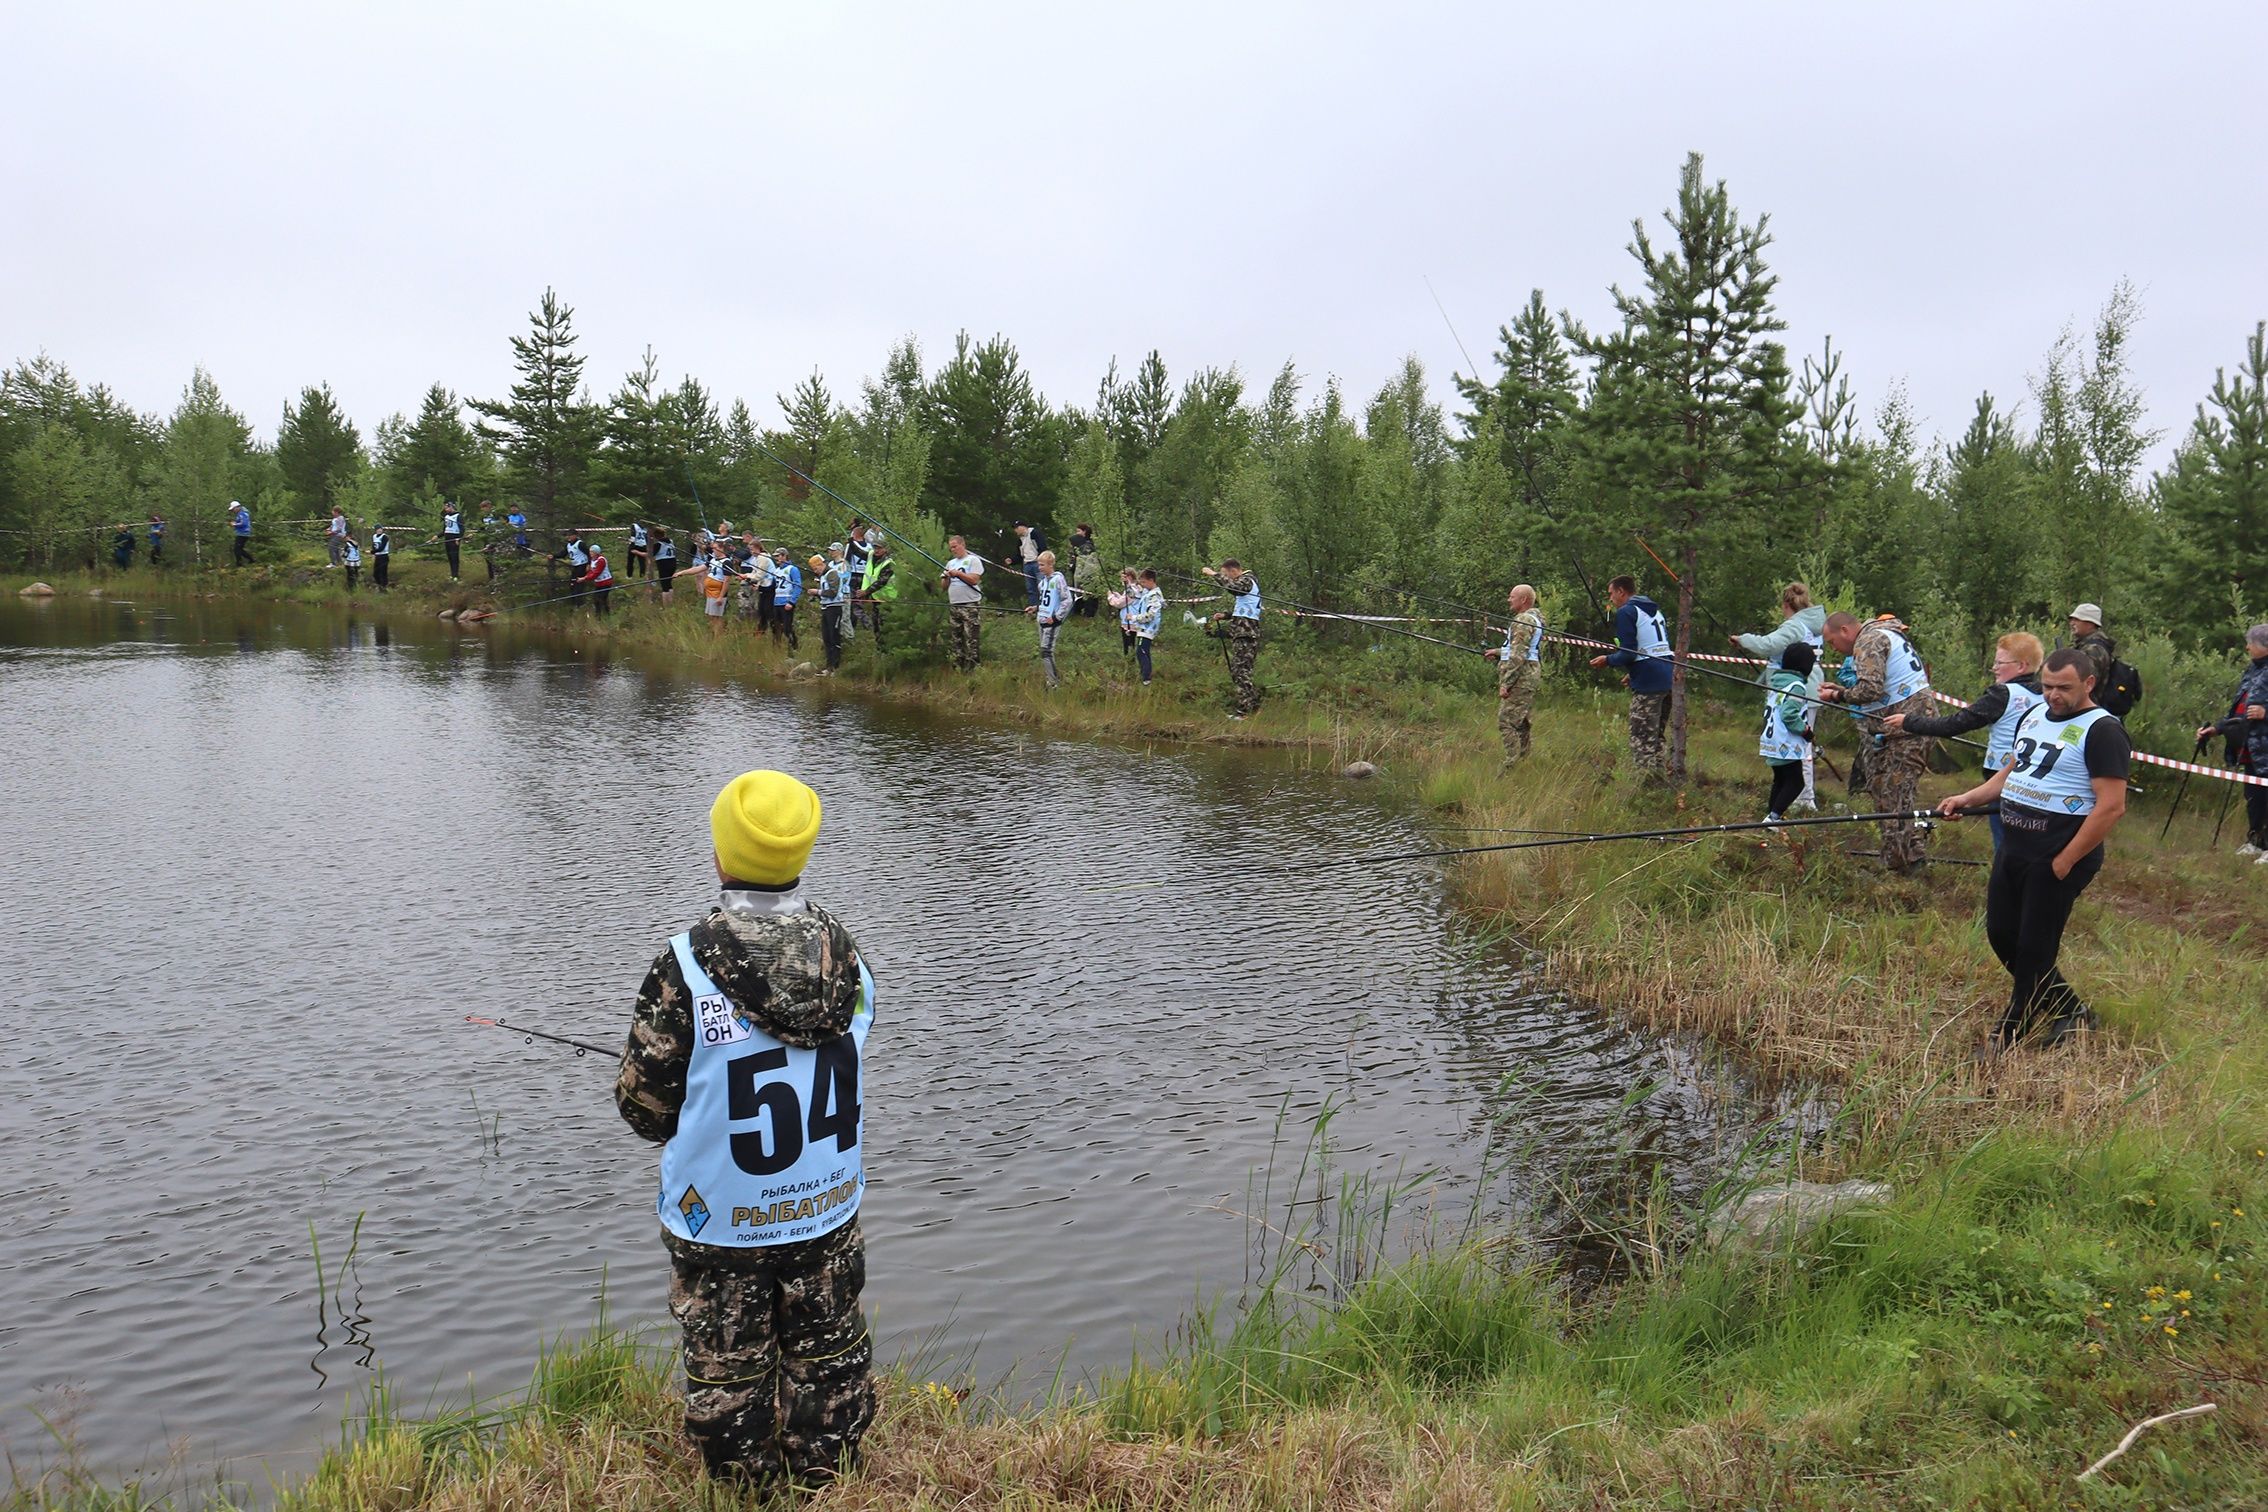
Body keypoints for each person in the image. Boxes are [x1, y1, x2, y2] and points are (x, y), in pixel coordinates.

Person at [614, 769, 876, 1488]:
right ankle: (828, 1485)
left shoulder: (686, 967)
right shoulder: (847, 956)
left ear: (722, 854)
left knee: (731, 1375)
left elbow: (646, 1114)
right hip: (823, 1205)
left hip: (722, 1223)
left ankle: (747, 1495)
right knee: (830, 1359)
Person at [1937, 649, 2130, 1052]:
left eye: (2064, 688)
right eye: (2047, 686)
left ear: (2089, 684)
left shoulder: (2103, 730)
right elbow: (2012, 771)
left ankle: (2007, 1035)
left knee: (2033, 949)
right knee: (2000, 934)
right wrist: (1966, 798)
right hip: (2015, 846)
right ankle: (2072, 1011)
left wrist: (2065, 861)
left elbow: (2111, 805)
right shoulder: (2035, 715)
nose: (2053, 695)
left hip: (2059, 854)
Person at [1886, 632, 2044, 853]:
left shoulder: (2001, 694)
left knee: (2007, 848)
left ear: (2021, 666)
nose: (1994, 668)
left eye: (2000, 662)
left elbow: (1954, 724)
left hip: (2003, 782)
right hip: (2036, 780)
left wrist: (1909, 722)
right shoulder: (2045, 693)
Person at [1818, 611, 1936, 872]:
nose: (1834, 649)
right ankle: (1911, 856)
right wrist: (1840, 690)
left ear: (1846, 631)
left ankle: (1896, 867)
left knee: (1894, 797)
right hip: (1902, 728)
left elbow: (1871, 689)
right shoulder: (1884, 634)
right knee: (1886, 792)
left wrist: (1839, 696)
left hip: (1908, 730)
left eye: (1832, 642)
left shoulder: (1868, 641)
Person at [1734, 582, 1826, 810]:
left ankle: (1804, 799)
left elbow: (1769, 644)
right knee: (1800, 741)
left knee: (1799, 745)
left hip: (1795, 689)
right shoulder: (1813, 624)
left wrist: (1743, 639)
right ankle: (1799, 796)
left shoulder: (1795, 626)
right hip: (1809, 686)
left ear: (1786, 605)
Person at [1587, 575, 1673, 779]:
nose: (1611, 599)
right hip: (1667, 676)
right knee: (1657, 736)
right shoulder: (1654, 610)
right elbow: (1653, 647)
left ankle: (1644, 785)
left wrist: (1607, 660)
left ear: (1621, 592)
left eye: (1611, 594)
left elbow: (1628, 652)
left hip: (1649, 683)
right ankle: (1659, 781)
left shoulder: (1627, 611)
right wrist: (1632, 672)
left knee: (1641, 737)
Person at [2199, 623, 2268, 860]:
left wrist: (2265, 713)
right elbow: (2238, 710)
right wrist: (2216, 729)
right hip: (2251, 748)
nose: (2247, 647)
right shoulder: (2253, 670)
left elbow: (2259, 710)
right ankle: (2256, 842)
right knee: (2254, 797)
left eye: (2251, 642)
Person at [1484, 584, 1546, 768]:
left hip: (1521, 677)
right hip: (1529, 673)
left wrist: (1507, 683)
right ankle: (1525, 758)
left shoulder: (1523, 620)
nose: (1508, 600)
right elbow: (1521, 649)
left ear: (1523, 600)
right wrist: (1497, 651)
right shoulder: (1534, 618)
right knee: (1521, 721)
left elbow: (1519, 655)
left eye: (1512, 596)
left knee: (1506, 722)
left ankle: (1511, 764)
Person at [1760, 643, 1817, 823]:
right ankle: (1774, 817)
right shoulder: (1797, 686)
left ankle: (1772, 816)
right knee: (1796, 782)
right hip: (1785, 742)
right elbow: (1789, 714)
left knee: (1781, 779)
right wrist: (1805, 730)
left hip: (1771, 740)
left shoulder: (1777, 681)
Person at [1201, 557, 1263, 718]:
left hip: (1246, 634)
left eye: (1226, 575)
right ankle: (1253, 706)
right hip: (1243, 632)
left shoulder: (1247, 580)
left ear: (1233, 571)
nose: (1226, 578)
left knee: (1241, 672)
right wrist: (1227, 615)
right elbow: (1246, 607)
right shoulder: (1248, 582)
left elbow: (1235, 588)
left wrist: (1214, 574)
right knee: (1239, 671)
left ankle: (1244, 712)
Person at [1027, 550, 1071, 690]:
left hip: (1052, 621)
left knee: (1046, 650)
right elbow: (1046, 602)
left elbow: (1067, 600)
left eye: (1042, 565)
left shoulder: (1058, 579)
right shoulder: (1042, 583)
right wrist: (1035, 608)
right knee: (1043, 651)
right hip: (1042, 620)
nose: (1039, 568)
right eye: (1038, 565)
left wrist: (1056, 617)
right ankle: (1049, 680)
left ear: (1050, 564)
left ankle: (1053, 683)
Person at [942, 535, 985, 671]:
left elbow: (974, 580)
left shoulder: (973, 560)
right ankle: (958, 665)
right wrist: (947, 577)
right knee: (956, 638)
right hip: (954, 605)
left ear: (962, 545)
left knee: (971, 638)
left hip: (970, 604)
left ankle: (973, 667)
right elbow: (943, 587)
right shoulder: (950, 563)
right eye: (951, 548)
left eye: (955, 546)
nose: (953, 550)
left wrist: (958, 574)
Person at [1127, 568, 1163, 684]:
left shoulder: (1155, 596)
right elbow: (1134, 593)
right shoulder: (1148, 593)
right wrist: (1127, 583)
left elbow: (1150, 616)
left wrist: (1133, 618)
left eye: (1144, 582)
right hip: (1143, 628)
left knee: (1141, 651)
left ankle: (1146, 678)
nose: (1142, 585)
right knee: (1144, 651)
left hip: (1148, 629)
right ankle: (1144, 674)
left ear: (1151, 580)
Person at [816, 552, 849, 673]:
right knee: (826, 638)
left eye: (816, 568)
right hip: (825, 608)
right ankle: (828, 666)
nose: (816, 571)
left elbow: (833, 592)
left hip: (834, 608)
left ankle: (835, 666)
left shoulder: (832, 573)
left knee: (834, 636)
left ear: (821, 564)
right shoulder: (823, 576)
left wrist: (817, 592)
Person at [862, 542, 896, 650]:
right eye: (875, 548)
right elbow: (860, 552)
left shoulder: (888, 563)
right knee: (876, 624)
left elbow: (882, 581)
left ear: (885, 549)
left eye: (879, 548)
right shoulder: (872, 559)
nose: (876, 550)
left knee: (885, 626)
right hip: (876, 598)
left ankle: (888, 650)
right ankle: (880, 649)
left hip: (888, 599)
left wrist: (866, 591)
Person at [769, 548, 802, 649]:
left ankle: (793, 647)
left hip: (786, 602)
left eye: (778, 556)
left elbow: (798, 586)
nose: (776, 559)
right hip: (777, 602)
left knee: (787, 627)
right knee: (775, 626)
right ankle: (777, 646)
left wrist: (792, 602)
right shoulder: (777, 570)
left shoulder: (792, 569)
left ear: (784, 556)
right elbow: (773, 586)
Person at [1069, 524, 1102, 616]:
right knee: (1080, 594)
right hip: (1079, 573)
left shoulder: (1087, 548)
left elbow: (1088, 565)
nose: (1077, 533)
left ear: (1084, 532)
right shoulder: (1079, 548)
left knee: (1089, 595)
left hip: (1087, 576)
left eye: (1079, 531)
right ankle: (1078, 612)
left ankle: (1088, 614)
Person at [556, 529, 591, 607]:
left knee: (579, 585)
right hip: (575, 566)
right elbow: (563, 554)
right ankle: (574, 603)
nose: (568, 537)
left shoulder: (580, 544)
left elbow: (589, 554)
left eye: (570, 535)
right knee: (572, 584)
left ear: (575, 535)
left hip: (582, 566)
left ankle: (580, 603)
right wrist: (554, 556)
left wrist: (589, 564)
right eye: (567, 535)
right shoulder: (569, 545)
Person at [1011, 521, 1043, 606]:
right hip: (1027, 565)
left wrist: (1042, 561)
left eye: (1016, 528)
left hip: (1037, 563)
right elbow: (1020, 555)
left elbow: (1042, 547)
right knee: (1031, 589)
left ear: (1022, 527)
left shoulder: (1034, 533)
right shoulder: (1020, 540)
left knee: (1042, 587)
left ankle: (1044, 607)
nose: (1016, 531)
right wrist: (1012, 561)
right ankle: (1033, 608)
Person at [578, 542, 614, 615]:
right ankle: (598, 616)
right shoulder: (592, 560)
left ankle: (606, 614)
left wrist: (584, 578)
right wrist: (585, 577)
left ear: (596, 552)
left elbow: (596, 573)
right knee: (596, 600)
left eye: (592, 552)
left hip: (606, 582)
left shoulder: (601, 560)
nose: (590, 553)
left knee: (601, 599)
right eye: (590, 551)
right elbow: (591, 571)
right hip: (598, 583)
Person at [702, 553, 730, 635]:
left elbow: (726, 581)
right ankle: (714, 633)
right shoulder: (713, 559)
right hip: (710, 593)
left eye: (715, 548)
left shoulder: (726, 562)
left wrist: (721, 596)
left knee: (716, 617)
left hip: (718, 593)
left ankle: (718, 636)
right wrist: (682, 572)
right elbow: (699, 568)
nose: (713, 551)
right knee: (711, 616)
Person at [440, 502, 465, 581]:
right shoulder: (446, 516)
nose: (445, 509)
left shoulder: (458, 516)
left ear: (451, 507)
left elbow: (462, 528)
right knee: (450, 557)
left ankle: (456, 575)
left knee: (454, 557)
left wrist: (459, 538)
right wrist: (437, 536)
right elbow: (445, 529)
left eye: (447, 508)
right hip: (447, 537)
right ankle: (452, 574)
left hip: (454, 538)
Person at [654, 526, 678, 604]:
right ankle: (671, 602)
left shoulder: (658, 544)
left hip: (663, 564)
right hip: (673, 563)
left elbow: (650, 554)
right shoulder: (670, 541)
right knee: (669, 583)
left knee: (664, 586)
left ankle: (666, 605)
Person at [229, 500, 252, 566]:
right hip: (243, 533)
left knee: (237, 549)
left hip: (242, 533)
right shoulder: (243, 513)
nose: (233, 511)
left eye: (233, 509)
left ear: (237, 508)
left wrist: (234, 524)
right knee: (239, 549)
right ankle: (251, 560)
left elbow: (243, 523)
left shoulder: (242, 514)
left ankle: (240, 563)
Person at [370, 524, 391, 591]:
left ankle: (384, 587)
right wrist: (373, 554)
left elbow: (381, 548)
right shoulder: (374, 536)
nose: (379, 530)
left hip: (384, 556)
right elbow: (374, 545)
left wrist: (372, 552)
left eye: (380, 529)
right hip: (377, 556)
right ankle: (379, 585)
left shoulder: (385, 537)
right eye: (378, 529)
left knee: (383, 573)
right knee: (376, 573)